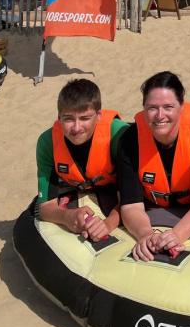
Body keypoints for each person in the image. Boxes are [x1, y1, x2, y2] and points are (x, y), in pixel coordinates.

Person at [117, 72, 190, 262]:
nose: (160, 115)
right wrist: (145, 234)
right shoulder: (129, 140)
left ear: (181, 107)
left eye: (168, 107)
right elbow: (130, 206)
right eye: (152, 108)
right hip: (164, 195)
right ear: (143, 108)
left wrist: (176, 235)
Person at [35, 79, 129, 240]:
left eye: (85, 118)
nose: (77, 128)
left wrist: (107, 224)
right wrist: (67, 217)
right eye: (68, 119)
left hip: (117, 191)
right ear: (59, 118)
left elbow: (134, 199)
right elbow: (45, 207)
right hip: (78, 189)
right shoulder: (47, 142)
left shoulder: (120, 136)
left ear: (99, 115)